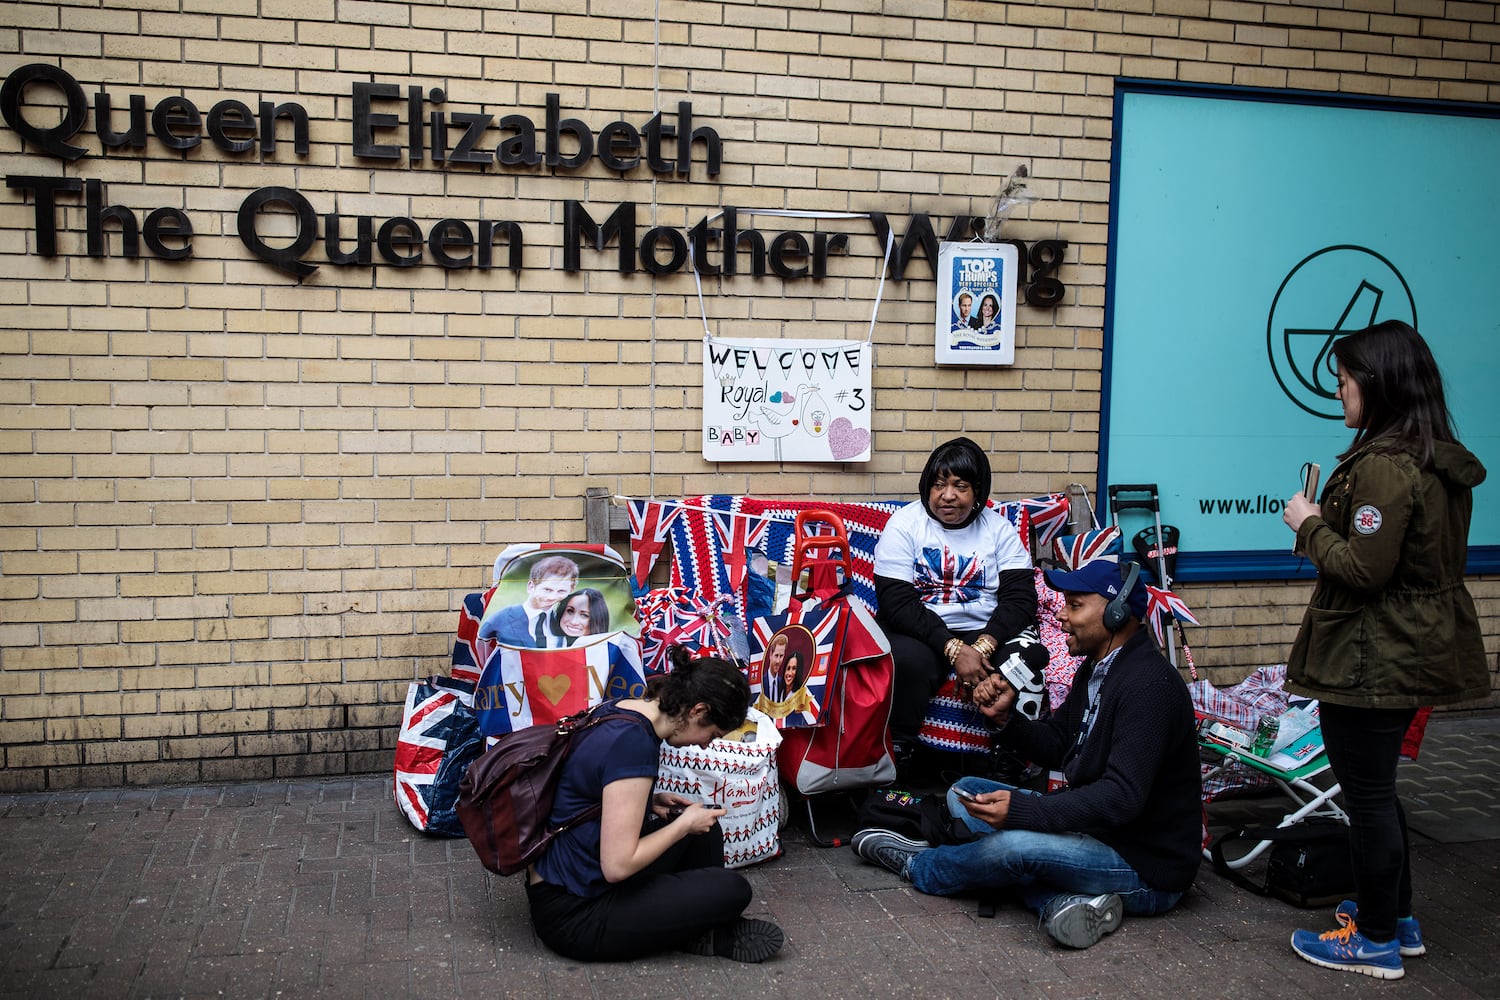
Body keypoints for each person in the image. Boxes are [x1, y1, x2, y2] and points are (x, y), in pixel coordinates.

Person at [852, 558, 1203, 950]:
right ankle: (1060, 902)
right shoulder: (1100, 667)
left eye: (1074, 605)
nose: (1062, 617)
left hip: (1144, 867)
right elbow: (1059, 745)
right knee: (964, 793)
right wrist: (1008, 720)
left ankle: (922, 866)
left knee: (1011, 848)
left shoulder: (1149, 686)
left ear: (1118, 613)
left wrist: (1022, 814)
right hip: (1097, 830)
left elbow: (1121, 798)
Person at [1280, 320, 1488, 981]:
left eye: (1343, 382)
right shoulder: (1434, 458)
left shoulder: (1385, 468)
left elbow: (1366, 570)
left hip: (1373, 655)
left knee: (1366, 796)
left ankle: (1373, 941)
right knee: (1377, 789)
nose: (1338, 393)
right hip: (1410, 646)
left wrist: (1309, 525)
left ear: (1377, 384)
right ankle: (1394, 918)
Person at [526, 647, 786, 963]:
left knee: (704, 829)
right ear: (698, 711)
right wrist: (680, 826)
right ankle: (699, 929)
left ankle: (694, 923)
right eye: (712, 734)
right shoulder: (634, 744)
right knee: (732, 889)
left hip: (570, 879)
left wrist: (651, 801)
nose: (706, 744)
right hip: (576, 914)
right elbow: (617, 866)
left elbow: (593, 787)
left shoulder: (622, 709)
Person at [871, 436, 1037, 761]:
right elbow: (896, 601)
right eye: (938, 485)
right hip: (917, 629)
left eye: (960, 486)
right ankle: (899, 752)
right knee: (908, 662)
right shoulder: (905, 524)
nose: (947, 496)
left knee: (1022, 662)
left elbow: (1021, 599)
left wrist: (985, 645)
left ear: (977, 492)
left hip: (985, 629)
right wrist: (953, 649)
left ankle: (1010, 756)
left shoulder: (999, 530)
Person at [483, 555, 579, 648]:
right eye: (547, 589)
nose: (552, 597)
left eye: (562, 591)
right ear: (531, 586)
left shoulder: (564, 623)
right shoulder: (501, 619)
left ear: (570, 591)